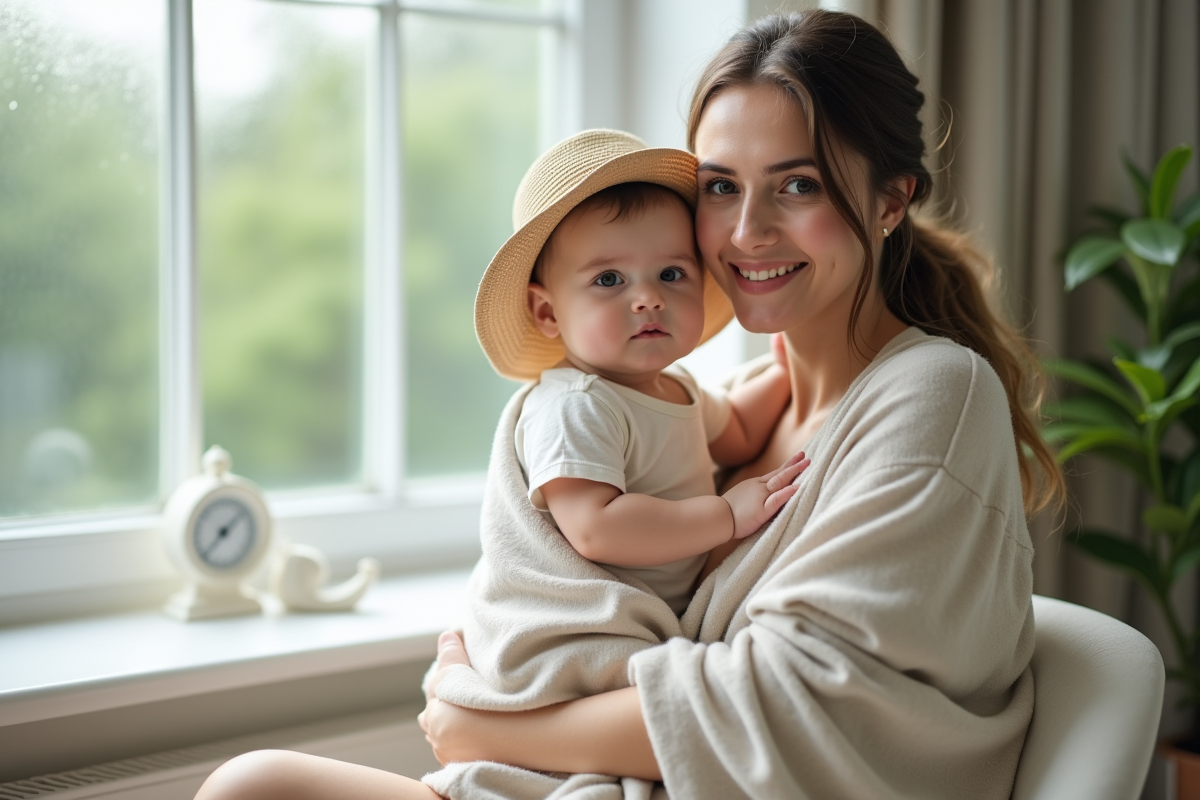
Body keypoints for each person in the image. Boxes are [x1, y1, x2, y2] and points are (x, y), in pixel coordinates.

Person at [194, 9, 1064, 800]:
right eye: (721, 186)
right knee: (251, 785)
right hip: (569, 771)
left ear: (891, 199)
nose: (746, 230)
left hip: (618, 772)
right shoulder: (701, 404)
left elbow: (791, 706)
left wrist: (484, 727)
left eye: (797, 185)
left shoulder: (933, 394)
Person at [478, 129, 807, 619]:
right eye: (609, 280)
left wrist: (786, 371)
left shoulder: (675, 387)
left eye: (671, 274)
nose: (649, 298)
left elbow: (736, 433)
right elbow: (595, 527)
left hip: (652, 611)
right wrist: (727, 515)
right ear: (547, 313)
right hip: (579, 618)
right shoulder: (577, 405)